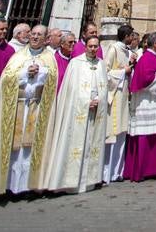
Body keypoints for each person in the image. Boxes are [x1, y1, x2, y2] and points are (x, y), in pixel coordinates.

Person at [0, 25, 57, 202]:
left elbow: (53, 79)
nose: (35, 37)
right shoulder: (18, 56)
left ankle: (28, 186)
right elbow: (7, 78)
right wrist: (24, 73)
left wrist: (41, 73)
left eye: (39, 35)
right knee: (13, 149)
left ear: (45, 39)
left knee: (31, 149)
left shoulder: (49, 58)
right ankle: (7, 185)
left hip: (37, 108)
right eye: (33, 34)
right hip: (17, 107)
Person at [46, 35, 108, 194]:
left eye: (96, 47)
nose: (94, 49)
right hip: (79, 111)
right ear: (85, 46)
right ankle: (70, 182)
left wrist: (99, 100)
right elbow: (71, 90)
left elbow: (104, 87)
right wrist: (87, 101)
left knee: (92, 143)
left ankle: (89, 180)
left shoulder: (101, 64)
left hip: (96, 110)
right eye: (91, 46)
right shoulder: (76, 63)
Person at [124, 31, 156, 182]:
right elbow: (145, 78)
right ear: (155, 43)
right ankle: (142, 169)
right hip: (147, 104)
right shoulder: (147, 58)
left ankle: (154, 169)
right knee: (145, 136)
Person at [103, 23, 134, 184]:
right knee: (112, 134)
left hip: (124, 96)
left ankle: (117, 171)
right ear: (126, 36)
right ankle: (107, 172)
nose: (133, 38)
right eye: (131, 36)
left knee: (121, 133)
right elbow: (105, 72)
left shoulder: (127, 51)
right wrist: (124, 72)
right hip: (114, 97)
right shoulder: (113, 49)